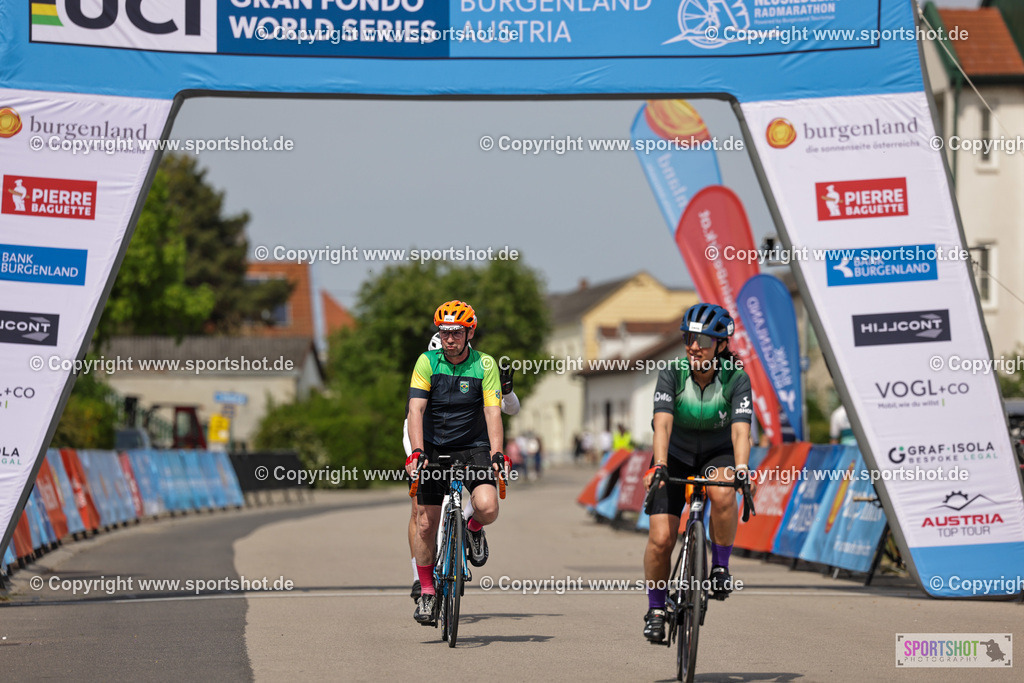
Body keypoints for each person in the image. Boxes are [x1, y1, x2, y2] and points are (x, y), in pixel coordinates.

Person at [641, 303, 752, 643]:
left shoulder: (736, 376)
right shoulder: (672, 372)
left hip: (717, 453)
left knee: (722, 490)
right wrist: (659, 464)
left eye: (703, 338)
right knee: (661, 539)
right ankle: (656, 609)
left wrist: (743, 469)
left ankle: (720, 566)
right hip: (674, 453)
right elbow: (662, 423)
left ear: (720, 344)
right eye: (689, 337)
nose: (693, 345)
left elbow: (740, 432)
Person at [405, 300, 510, 626]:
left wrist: (496, 454)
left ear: (469, 332)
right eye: (444, 332)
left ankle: (472, 528)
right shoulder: (427, 362)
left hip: (474, 447)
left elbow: (494, 411)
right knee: (425, 523)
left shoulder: (485, 365)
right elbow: (415, 410)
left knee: (488, 506)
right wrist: (417, 452)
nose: (449, 338)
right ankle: (426, 591)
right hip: (434, 449)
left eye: (456, 332)